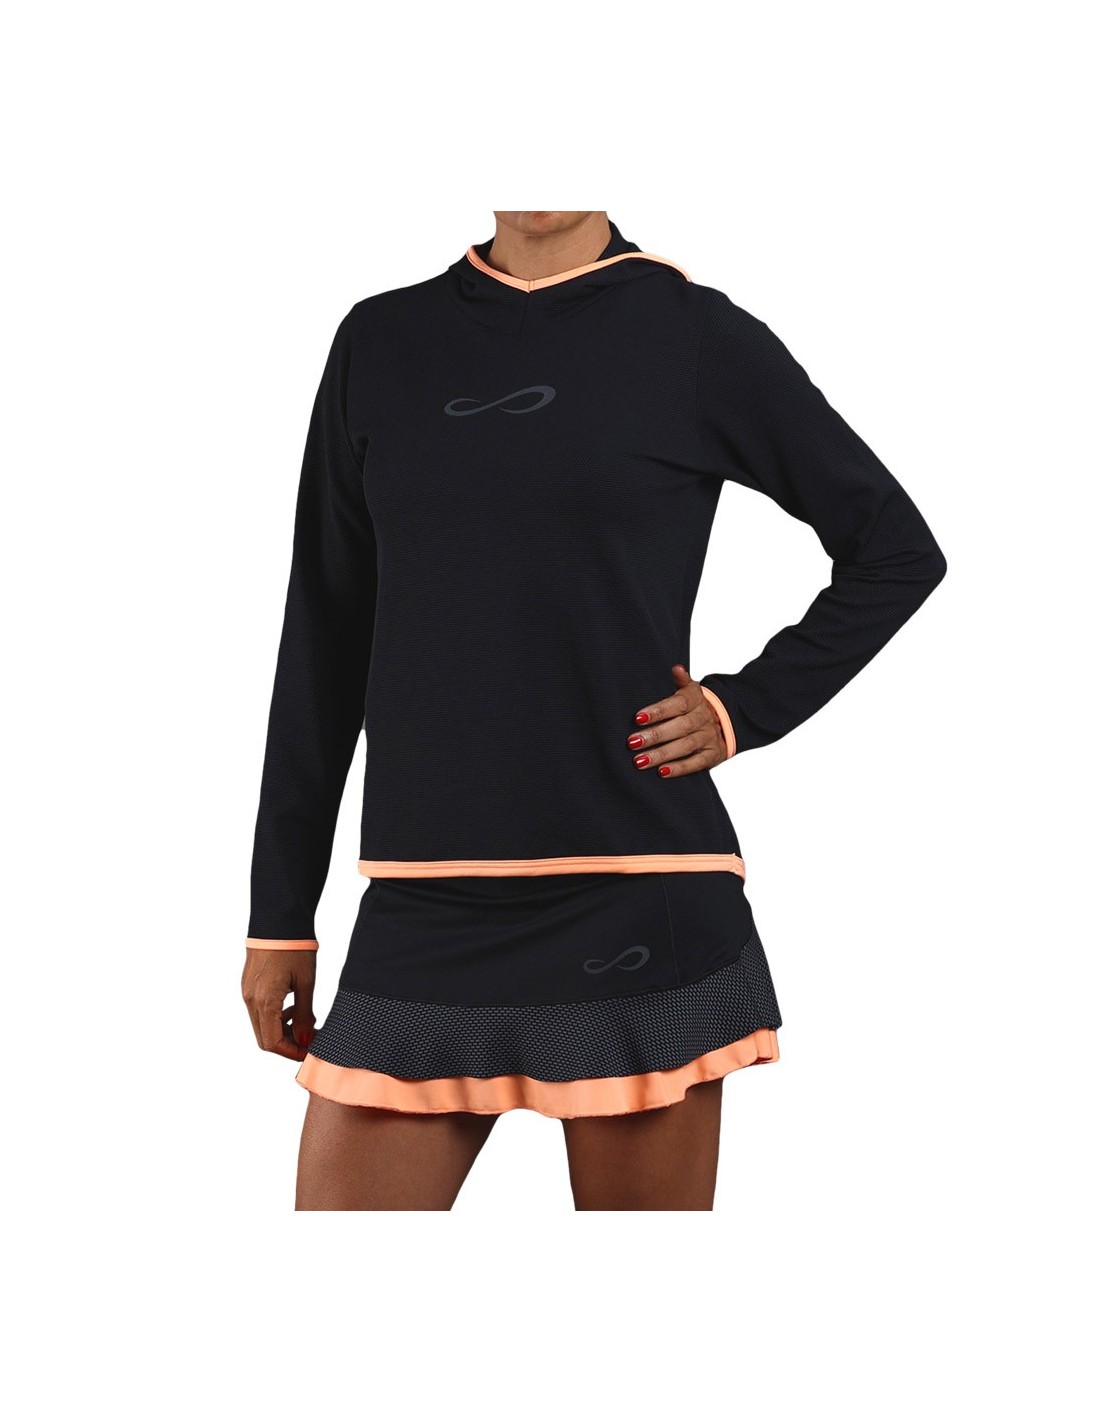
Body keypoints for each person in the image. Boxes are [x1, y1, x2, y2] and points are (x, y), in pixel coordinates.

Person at [240, 210, 947, 1211]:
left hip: (638, 890)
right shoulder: (380, 340)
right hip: (424, 907)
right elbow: (325, 633)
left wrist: (744, 708)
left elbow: (895, 550)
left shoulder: (694, 334)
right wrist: (280, 918)